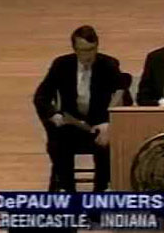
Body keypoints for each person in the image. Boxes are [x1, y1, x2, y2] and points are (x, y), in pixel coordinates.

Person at [33, 25, 124, 192]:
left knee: (108, 147)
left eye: (91, 50)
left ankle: (98, 196)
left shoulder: (109, 65)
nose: (87, 55)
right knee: (58, 144)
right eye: (82, 50)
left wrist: (109, 124)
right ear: (74, 49)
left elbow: (124, 98)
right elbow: (41, 97)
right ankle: (70, 193)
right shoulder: (62, 65)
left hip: (99, 127)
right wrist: (53, 115)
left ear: (97, 46)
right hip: (71, 126)